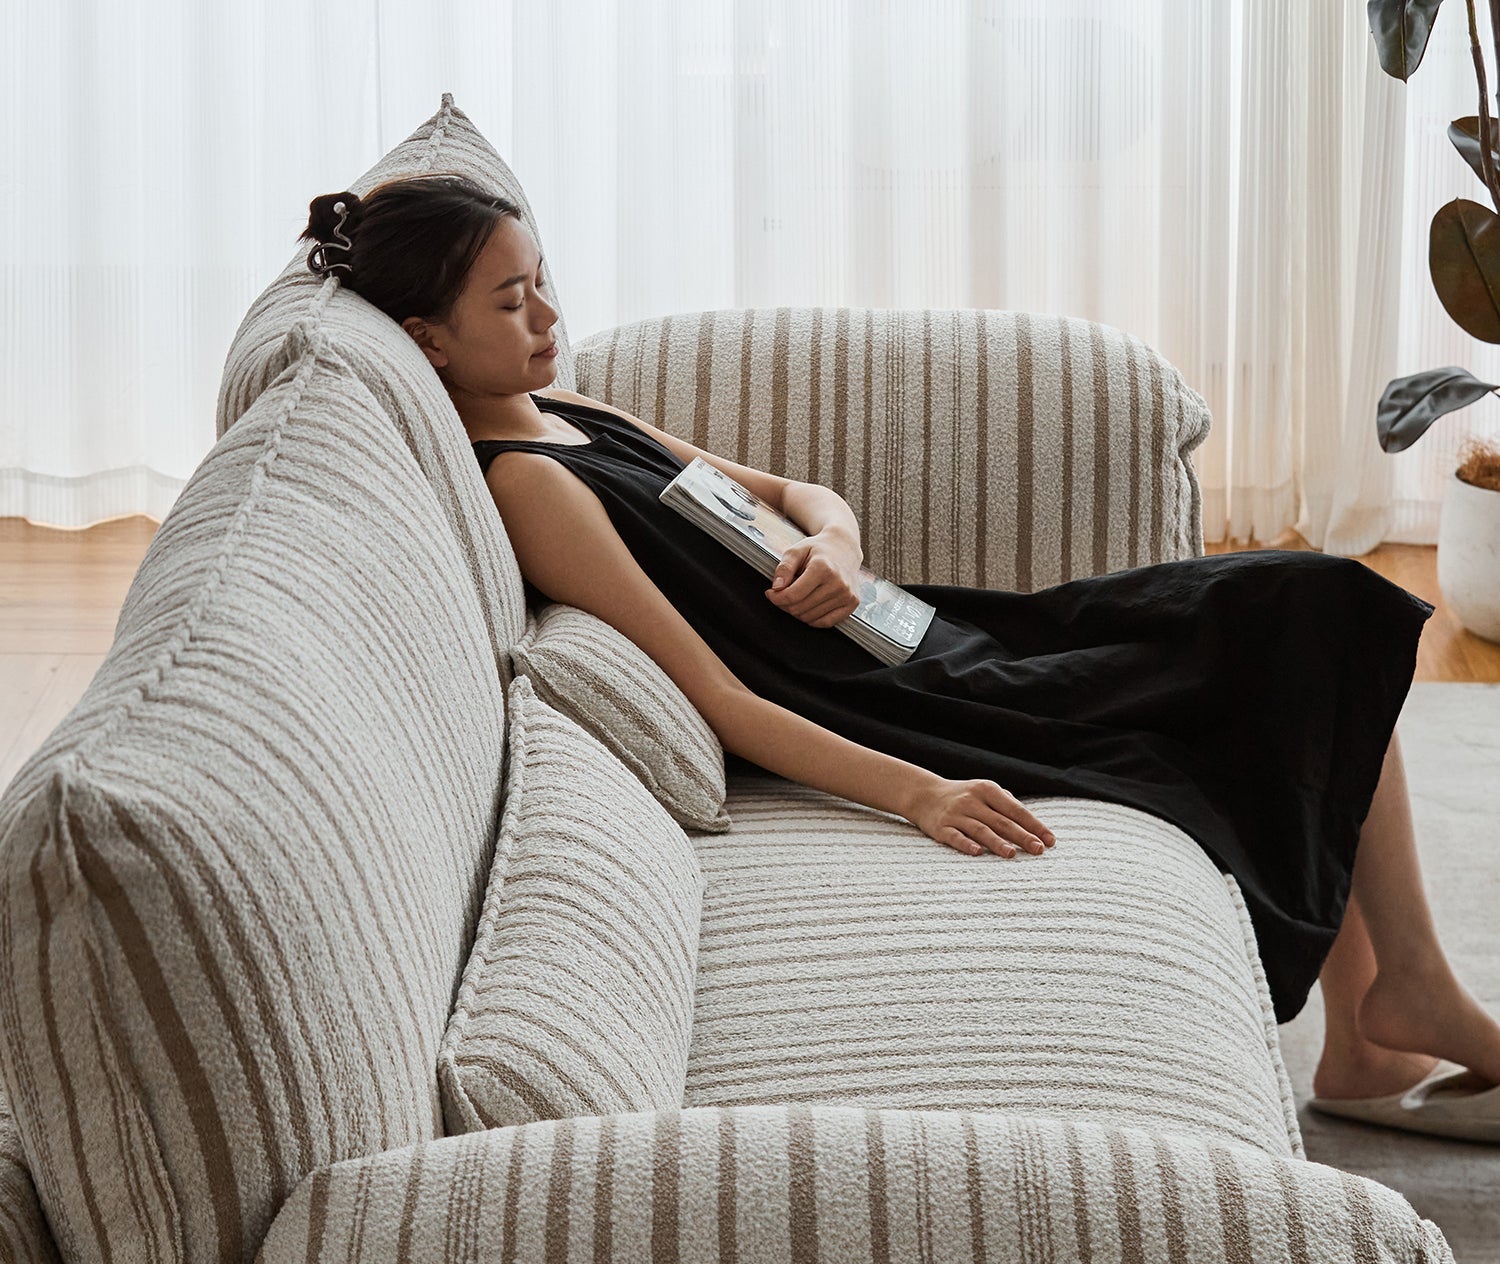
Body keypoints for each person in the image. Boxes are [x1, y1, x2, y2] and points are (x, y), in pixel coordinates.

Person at [299, 173, 1500, 1138]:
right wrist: (917, 792)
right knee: (1303, 614)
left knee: (1298, 620)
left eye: (542, 284)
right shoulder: (529, 485)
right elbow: (715, 693)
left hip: (923, 625)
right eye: (511, 305)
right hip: (901, 693)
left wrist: (835, 542)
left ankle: (1372, 1029)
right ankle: (1409, 996)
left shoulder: (573, 414)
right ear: (429, 342)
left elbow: (791, 492)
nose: (550, 321)